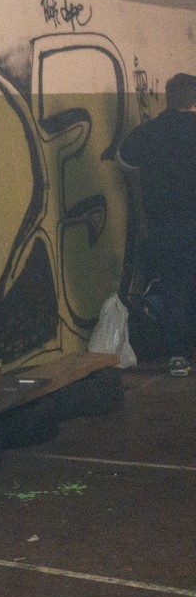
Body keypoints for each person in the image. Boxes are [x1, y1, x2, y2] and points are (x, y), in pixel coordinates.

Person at [119, 72, 196, 377]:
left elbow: (124, 159)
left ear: (169, 98)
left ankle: (179, 356)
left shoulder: (150, 131)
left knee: (175, 286)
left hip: (164, 223)